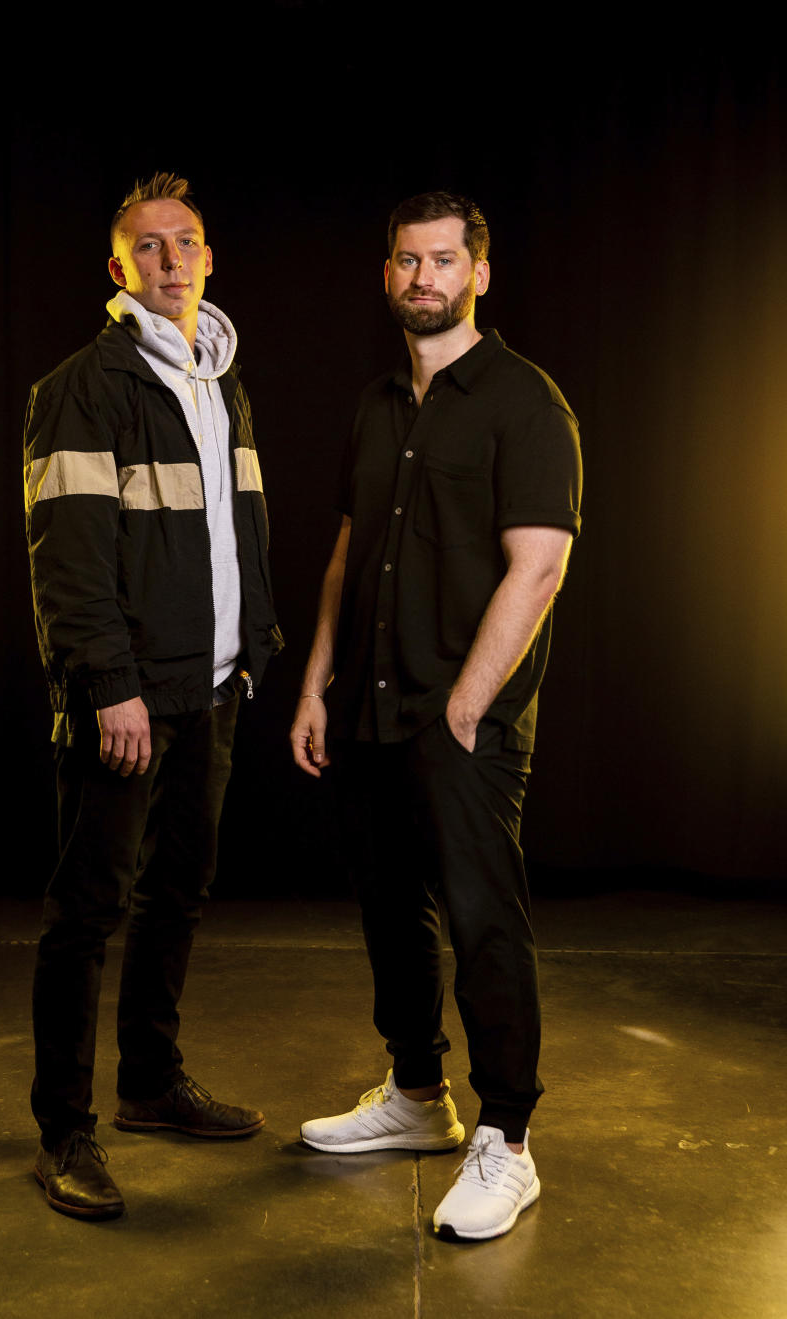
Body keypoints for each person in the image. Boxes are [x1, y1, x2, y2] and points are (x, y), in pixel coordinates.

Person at [290, 190, 582, 1241]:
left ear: (479, 273)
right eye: (408, 262)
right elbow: (345, 550)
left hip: (462, 718)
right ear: (388, 275)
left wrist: (466, 700)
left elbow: (539, 562)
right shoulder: (376, 403)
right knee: (389, 909)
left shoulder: (526, 400)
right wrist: (317, 679)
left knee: (482, 920)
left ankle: (506, 1137)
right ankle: (419, 1094)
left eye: (444, 260)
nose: (424, 278)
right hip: (367, 700)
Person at [24, 171, 282, 1220]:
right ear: (118, 268)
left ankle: (146, 1084)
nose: (170, 261)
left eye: (186, 242)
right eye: (149, 246)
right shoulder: (84, 386)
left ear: (209, 259)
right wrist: (110, 687)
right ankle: (62, 1129)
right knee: (87, 913)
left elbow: (242, 530)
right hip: (128, 703)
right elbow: (69, 561)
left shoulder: (222, 382)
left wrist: (254, 645)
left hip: (216, 686)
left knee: (178, 892)